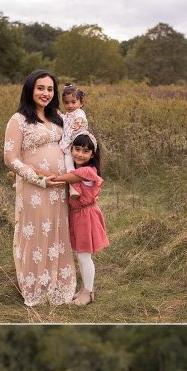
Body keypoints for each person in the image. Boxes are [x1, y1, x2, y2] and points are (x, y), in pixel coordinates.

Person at [4, 70, 78, 307]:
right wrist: (39, 177)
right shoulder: (18, 120)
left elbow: (75, 139)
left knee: (57, 231)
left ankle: (58, 282)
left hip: (59, 187)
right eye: (40, 88)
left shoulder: (57, 116)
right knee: (37, 233)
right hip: (35, 189)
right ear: (29, 89)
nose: (45, 93)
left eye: (49, 89)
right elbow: (10, 158)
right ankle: (36, 285)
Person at [50, 131, 109, 306]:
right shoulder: (78, 169)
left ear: (92, 155)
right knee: (80, 255)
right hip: (78, 215)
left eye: (85, 151)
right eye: (76, 149)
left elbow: (61, 179)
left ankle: (88, 292)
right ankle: (84, 288)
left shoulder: (87, 171)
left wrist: (39, 175)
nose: (80, 154)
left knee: (84, 256)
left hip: (86, 216)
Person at [59, 85, 89, 197]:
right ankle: (74, 187)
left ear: (81, 103)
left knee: (76, 167)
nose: (70, 105)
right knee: (70, 167)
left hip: (77, 145)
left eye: (73, 102)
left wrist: (78, 122)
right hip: (68, 146)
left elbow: (80, 117)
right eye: (66, 103)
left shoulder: (79, 113)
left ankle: (76, 188)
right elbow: (61, 119)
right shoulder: (66, 115)